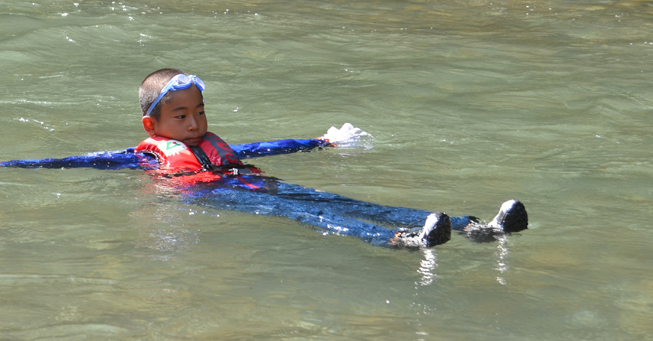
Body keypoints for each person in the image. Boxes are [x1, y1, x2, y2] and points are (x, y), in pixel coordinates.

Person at [132, 68, 528, 249]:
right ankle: (402, 241)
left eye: (199, 111)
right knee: (314, 217)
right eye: (181, 116)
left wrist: (321, 141)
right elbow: (93, 160)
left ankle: (476, 227)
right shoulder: (148, 158)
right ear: (153, 127)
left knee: (349, 204)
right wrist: (65, 163)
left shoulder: (215, 145)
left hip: (257, 182)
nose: (194, 123)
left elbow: (265, 148)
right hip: (222, 195)